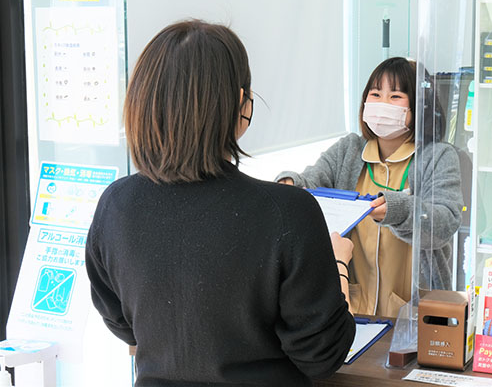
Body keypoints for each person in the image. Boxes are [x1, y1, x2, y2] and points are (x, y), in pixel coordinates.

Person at [85, 20, 355, 386]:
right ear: (240, 104)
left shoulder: (117, 205)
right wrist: (339, 263)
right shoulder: (288, 212)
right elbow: (322, 354)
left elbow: (123, 326)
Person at [276, 57, 462, 317]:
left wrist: (396, 210)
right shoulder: (349, 149)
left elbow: (446, 221)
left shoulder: (438, 156)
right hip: (354, 307)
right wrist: (291, 183)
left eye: (395, 96)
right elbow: (313, 180)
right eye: (375, 94)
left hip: (413, 312)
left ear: (421, 105)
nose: (382, 104)